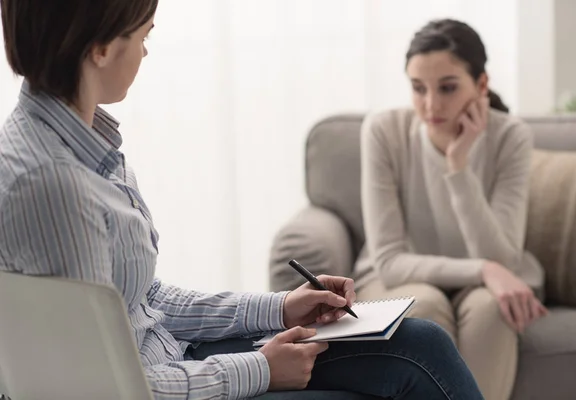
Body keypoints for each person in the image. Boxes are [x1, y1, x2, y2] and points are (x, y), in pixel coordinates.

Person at [0, 2, 485, 399]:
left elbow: (140, 299)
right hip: (160, 383)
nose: (146, 52)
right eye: (144, 35)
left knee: (419, 343)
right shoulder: (51, 185)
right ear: (101, 49)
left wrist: (280, 309)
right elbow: (92, 389)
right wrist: (258, 369)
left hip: (169, 358)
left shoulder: (84, 145)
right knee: (409, 364)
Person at [355, 18, 549, 400]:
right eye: (418, 88)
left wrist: (458, 168)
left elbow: (502, 257)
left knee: (495, 310)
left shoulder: (510, 136)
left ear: (481, 85)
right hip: (402, 278)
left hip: (486, 282)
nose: (431, 105)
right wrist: (484, 269)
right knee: (422, 305)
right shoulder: (383, 131)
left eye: (447, 88)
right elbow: (391, 261)